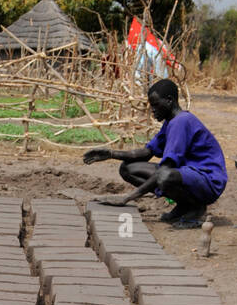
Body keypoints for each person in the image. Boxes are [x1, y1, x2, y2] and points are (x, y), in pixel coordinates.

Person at [84, 79, 227, 227]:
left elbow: (164, 170)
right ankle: (185, 205)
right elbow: (147, 152)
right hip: (188, 174)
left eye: (156, 105)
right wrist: (111, 154)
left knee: (165, 176)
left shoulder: (181, 122)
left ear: (169, 100)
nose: (153, 111)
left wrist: (126, 198)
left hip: (208, 180)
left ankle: (195, 207)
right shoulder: (170, 122)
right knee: (128, 169)